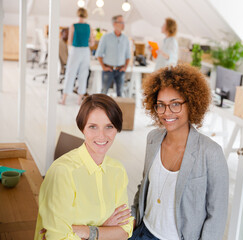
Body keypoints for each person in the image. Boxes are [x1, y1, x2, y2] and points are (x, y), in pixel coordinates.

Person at [130, 64, 229, 240]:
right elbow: (144, 184)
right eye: (161, 105)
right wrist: (133, 218)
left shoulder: (210, 153)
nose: (167, 113)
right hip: (143, 232)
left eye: (175, 104)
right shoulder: (153, 139)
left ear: (191, 104)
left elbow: (217, 215)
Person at [35, 94, 134, 240]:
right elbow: (57, 237)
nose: (102, 135)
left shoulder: (117, 171)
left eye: (109, 126)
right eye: (93, 127)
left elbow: (125, 230)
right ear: (83, 128)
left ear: (117, 129)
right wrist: (105, 229)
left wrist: (86, 232)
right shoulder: (63, 172)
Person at [59, 8, 94, 105]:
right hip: (85, 51)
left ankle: (64, 100)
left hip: (75, 51)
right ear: (86, 15)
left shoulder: (73, 26)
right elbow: (92, 43)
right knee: (83, 75)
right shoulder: (89, 27)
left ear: (78, 15)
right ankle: (79, 101)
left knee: (70, 73)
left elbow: (69, 42)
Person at [95, 15, 131, 97]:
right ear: (114, 24)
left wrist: (125, 67)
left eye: (123, 22)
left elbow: (128, 56)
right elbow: (99, 54)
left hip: (120, 71)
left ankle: (119, 109)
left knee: (120, 93)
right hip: (108, 70)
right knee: (104, 92)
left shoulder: (125, 39)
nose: (123, 24)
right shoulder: (106, 37)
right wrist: (103, 67)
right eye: (121, 22)